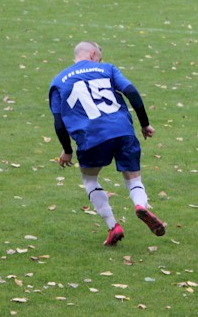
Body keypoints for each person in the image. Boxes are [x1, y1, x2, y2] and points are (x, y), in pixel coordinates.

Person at [49, 41, 166, 246]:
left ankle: (113, 227)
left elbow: (59, 122)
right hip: (122, 130)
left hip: (90, 136)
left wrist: (67, 150)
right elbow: (132, 92)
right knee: (133, 178)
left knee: (90, 181)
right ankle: (140, 205)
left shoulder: (58, 81)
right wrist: (145, 124)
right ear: (93, 54)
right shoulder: (107, 68)